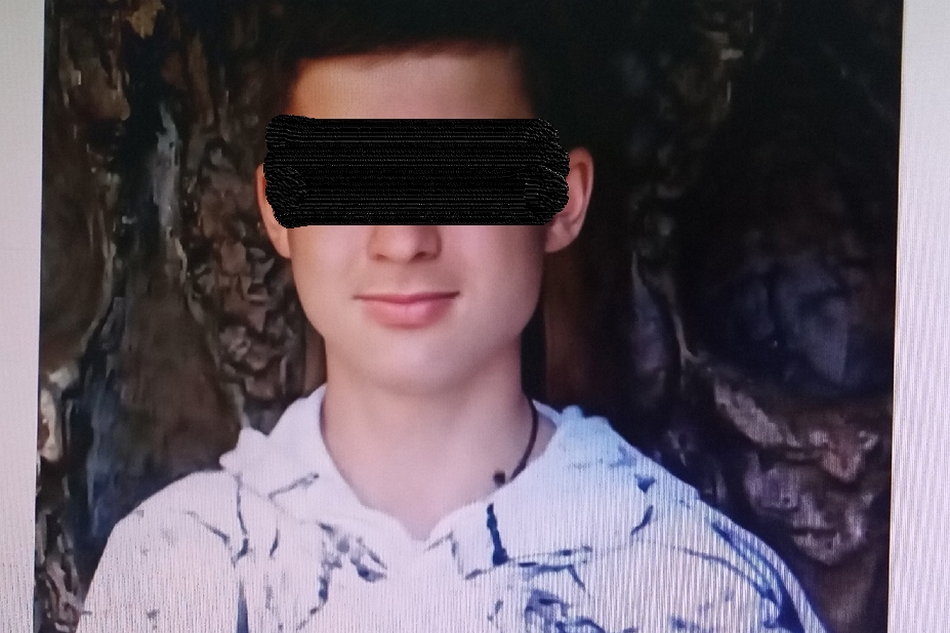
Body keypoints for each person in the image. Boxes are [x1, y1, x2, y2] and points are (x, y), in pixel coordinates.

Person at [77, 2, 828, 631]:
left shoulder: (706, 589)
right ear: (278, 208)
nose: (403, 239)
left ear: (561, 200)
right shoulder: (170, 573)